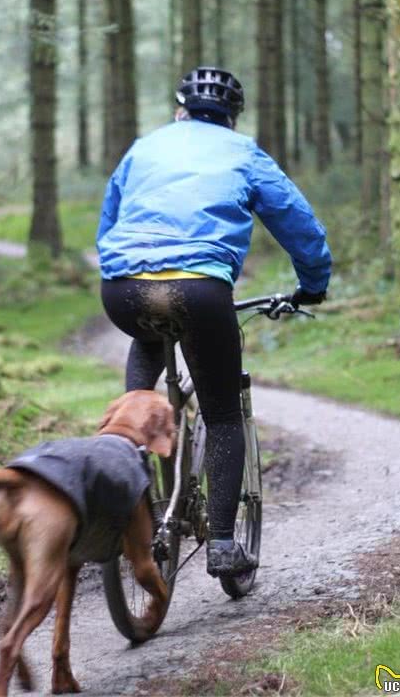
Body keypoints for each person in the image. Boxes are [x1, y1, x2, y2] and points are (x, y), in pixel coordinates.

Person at [96, 66, 331, 578]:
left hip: (123, 288)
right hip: (200, 290)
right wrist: (312, 282)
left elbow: (109, 219)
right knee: (224, 414)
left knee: (148, 339)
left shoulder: (145, 146)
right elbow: (296, 220)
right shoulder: (243, 152)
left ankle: (124, 474)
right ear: (230, 119)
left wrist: (122, 265)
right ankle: (223, 544)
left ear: (179, 110)